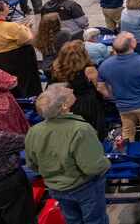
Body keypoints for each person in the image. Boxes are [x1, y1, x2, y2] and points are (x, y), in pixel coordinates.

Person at [25, 83, 111, 224]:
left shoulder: (34, 131)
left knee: (72, 220)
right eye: (64, 91)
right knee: (95, 220)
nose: (70, 89)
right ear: (64, 106)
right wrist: (106, 163)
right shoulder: (80, 129)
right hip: (84, 187)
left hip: (56, 187)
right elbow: (92, 167)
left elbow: (32, 164)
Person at [97, 32, 140, 142]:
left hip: (123, 106)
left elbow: (100, 87)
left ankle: (126, 155)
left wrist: (113, 97)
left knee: (127, 132)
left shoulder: (105, 65)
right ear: (132, 44)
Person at [0, 0, 41, 98]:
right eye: (5, 6)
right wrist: (27, 28)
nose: (8, 6)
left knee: (5, 82)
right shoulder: (11, 26)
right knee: (25, 83)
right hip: (16, 59)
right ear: (1, 12)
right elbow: (27, 39)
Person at [50, 40, 106, 140]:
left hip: (67, 105)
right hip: (88, 106)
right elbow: (99, 88)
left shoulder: (56, 69)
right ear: (83, 54)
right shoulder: (89, 70)